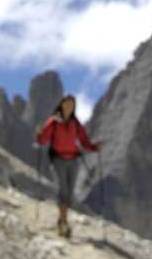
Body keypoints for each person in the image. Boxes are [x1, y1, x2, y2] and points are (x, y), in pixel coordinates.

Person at [34, 94, 102, 239]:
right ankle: (64, 222)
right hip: (58, 159)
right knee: (62, 188)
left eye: (72, 104)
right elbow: (43, 140)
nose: (70, 107)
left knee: (69, 192)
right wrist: (39, 135)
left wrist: (95, 147)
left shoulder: (75, 124)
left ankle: (62, 220)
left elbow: (84, 141)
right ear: (62, 104)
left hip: (74, 160)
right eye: (68, 104)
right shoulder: (53, 122)